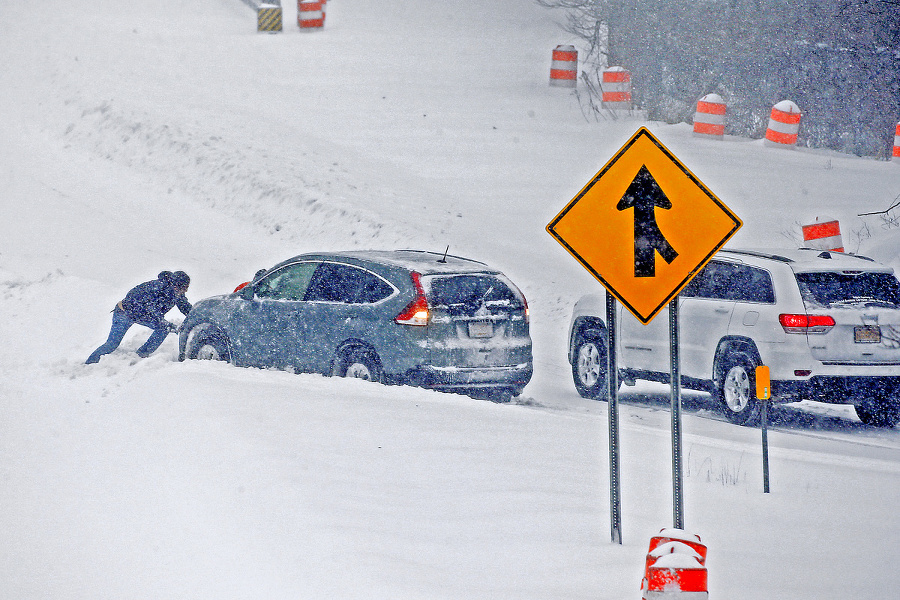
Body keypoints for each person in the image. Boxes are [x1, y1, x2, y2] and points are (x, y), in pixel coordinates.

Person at [86, 271, 192, 364]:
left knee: (164, 328)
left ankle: (141, 355)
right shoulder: (156, 288)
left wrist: (194, 316)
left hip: (142, 315)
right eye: (183, 288)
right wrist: (167, 324)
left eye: (187, 288)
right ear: (175, 285)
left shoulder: (177, 294)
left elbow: (184, 306)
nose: (185, 291)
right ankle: (89, 364)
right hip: (124, 312)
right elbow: (152, 310)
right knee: (112, 344)